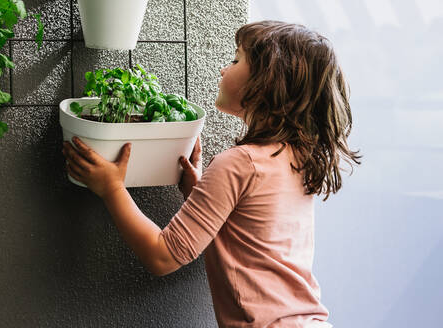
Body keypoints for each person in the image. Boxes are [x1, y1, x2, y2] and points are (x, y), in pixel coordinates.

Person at [62, 20, 361, 328]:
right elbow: (252, 231)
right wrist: (198, 190)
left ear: (265, 83)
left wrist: (112, 188)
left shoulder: (239, 164)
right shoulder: (295, 158)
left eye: (235, 60)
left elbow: (162, 257)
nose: (223, 69)